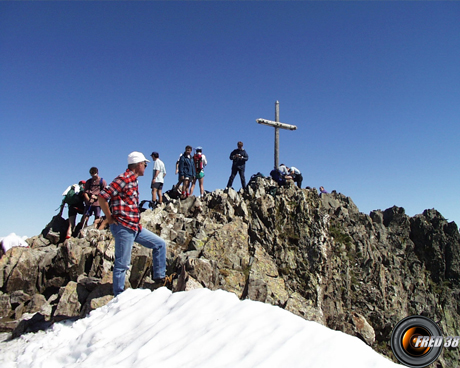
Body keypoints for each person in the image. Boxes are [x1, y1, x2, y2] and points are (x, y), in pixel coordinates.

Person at [99, 152, 167, 297]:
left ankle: (159, 280)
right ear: (138, 165)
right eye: (145, 164)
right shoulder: (123, 178)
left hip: (134, 227)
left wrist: (137, 223)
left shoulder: (134, 180)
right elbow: (103, 196)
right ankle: (119, 296)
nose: (146, 167)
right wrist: (109, 218)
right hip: (123, 227)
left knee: (160, 244)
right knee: (122, 264)